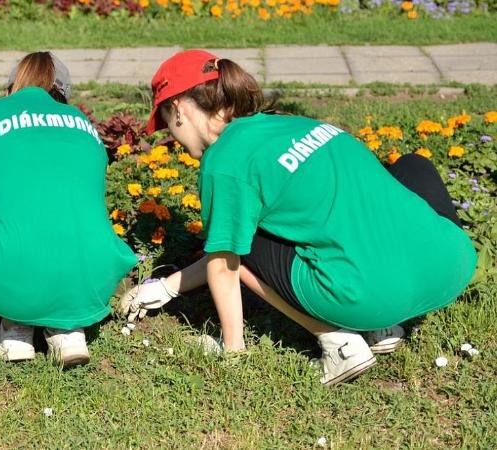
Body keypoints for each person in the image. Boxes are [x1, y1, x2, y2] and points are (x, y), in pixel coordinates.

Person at [119, 50, 477, 385]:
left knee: (241, 240)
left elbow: (225, 261)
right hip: (452, 265)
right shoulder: (291, 123)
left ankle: (339, 342)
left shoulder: (224, 162)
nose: (171, 134)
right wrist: (166, 287)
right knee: (412, 166)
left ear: (178, 107)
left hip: (368, 297)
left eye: (166, 121)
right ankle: (386, 326)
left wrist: (231, 351)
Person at [0, 52, 136, 368]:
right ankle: (67, 330)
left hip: (8, 277)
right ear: (64, 98)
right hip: (92, 278)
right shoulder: (85, 125)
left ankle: (16, 327)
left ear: (11, 88)